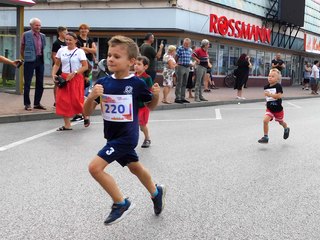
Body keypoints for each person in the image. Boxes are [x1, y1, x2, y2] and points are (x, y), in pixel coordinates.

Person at [83, 35, 166, 225]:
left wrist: (155, 95)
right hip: (112, 137)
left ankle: (121, 203)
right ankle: (156, 192)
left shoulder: (136, 83)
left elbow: (150, 106)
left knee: (95, 168)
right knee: (135, 168)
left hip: (127, 137)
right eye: (109, 55)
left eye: (117, 56)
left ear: (131, 61)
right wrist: (91, 98)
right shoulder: (103, 82)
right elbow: (85, 112)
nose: (111, 59)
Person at [51, 32, 88, 131]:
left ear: (75, 40)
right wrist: (53, 74)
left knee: (77, 99)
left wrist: (75, 72)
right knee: (63, 100)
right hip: (64, 77)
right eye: (66, 40)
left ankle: (85, 115)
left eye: (70, 40)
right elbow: (57, 64)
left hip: (76, 77)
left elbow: (85, 66)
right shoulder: (61, 50)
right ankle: (67, 124)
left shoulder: (80, 52)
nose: (68, 42)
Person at [71, 23, 97, 124]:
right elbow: (77, 50)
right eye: (81, 29)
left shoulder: (90, 40)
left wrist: (85, 49)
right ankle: (81, 112)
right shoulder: (76, 39)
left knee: (86, 86)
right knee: (79, 89)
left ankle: (83, 112)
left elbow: (94, 50)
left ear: (88, 30)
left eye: (85, 29)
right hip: (79, 64)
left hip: (88, 65)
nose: (83, 31)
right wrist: (87, 50)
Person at [20, 17, 46, 111]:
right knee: (27, 83)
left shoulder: (42, 35)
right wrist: (25, 58)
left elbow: (43, 47)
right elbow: (22, 48)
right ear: (31, 25)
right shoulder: (26, 34)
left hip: (40, 60)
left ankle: (37, 103)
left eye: (39, 25)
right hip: (29, 61)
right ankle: (27, 104)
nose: (38, 27)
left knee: (40, 83)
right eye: (36, 25)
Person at [258, 68, 290, 144]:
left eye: (272, 76)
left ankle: (286, 128)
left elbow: (279, 96)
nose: (270, 77)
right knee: (265, 121)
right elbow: (267, 98)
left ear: (277, 78)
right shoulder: (266, 87)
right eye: (269, 76)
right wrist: (267, 102)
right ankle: (265, 137)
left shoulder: (278, 86)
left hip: (278, 109)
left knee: (281, 122)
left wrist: (270, 95)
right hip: (270, 109)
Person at [135, 56, 153, 148]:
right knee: (132, 124)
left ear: (145, 67)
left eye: (139, 64)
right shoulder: (133, 76)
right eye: (135, 64)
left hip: (143, 106)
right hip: (134, 106)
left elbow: (150, 91)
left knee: (142, 126)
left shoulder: (147, 78)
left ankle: (147, 138)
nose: (136, 66)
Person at [51, 26, 68, 107]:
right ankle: (56, 101)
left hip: (65, 66)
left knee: (64, 84)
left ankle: (63, 100)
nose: (66, 34)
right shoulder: (56, 43)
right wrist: (57, 65)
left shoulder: (66, 42)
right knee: (57, 84)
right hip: (58, 66)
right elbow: (54, 55)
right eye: (65, 32)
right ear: (60, 33)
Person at [174, 38, 192, 103]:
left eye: (187, 44)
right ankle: (177, 98)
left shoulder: (190, 50)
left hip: (187, 67)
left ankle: (182, 97)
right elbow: (176, 57)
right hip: (180, 66)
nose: (186, 45)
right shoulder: (180, 48)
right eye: (185, 43)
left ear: (189, 44)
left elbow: (190, 58)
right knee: (179, 83)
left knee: (184, 83)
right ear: (183, 43)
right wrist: (175, 65)